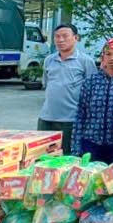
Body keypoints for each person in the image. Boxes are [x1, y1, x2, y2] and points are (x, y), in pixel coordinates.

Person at [39, 23, 97, 154]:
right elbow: (47, 84)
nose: (60, 40)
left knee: (67, 158)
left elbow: (92, 91)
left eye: (65, 36)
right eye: (57, 36)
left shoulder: (85, 61)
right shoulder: (49, 60)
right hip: (46, 118)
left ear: (76, 38)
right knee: (44, 158)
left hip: (71, 120)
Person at [72, 37, 113, 162]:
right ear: (103, 56)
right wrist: (76, 146)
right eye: (108, 54)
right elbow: (80, 114)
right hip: (91, 143)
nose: (112, 58)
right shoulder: (91, 81)